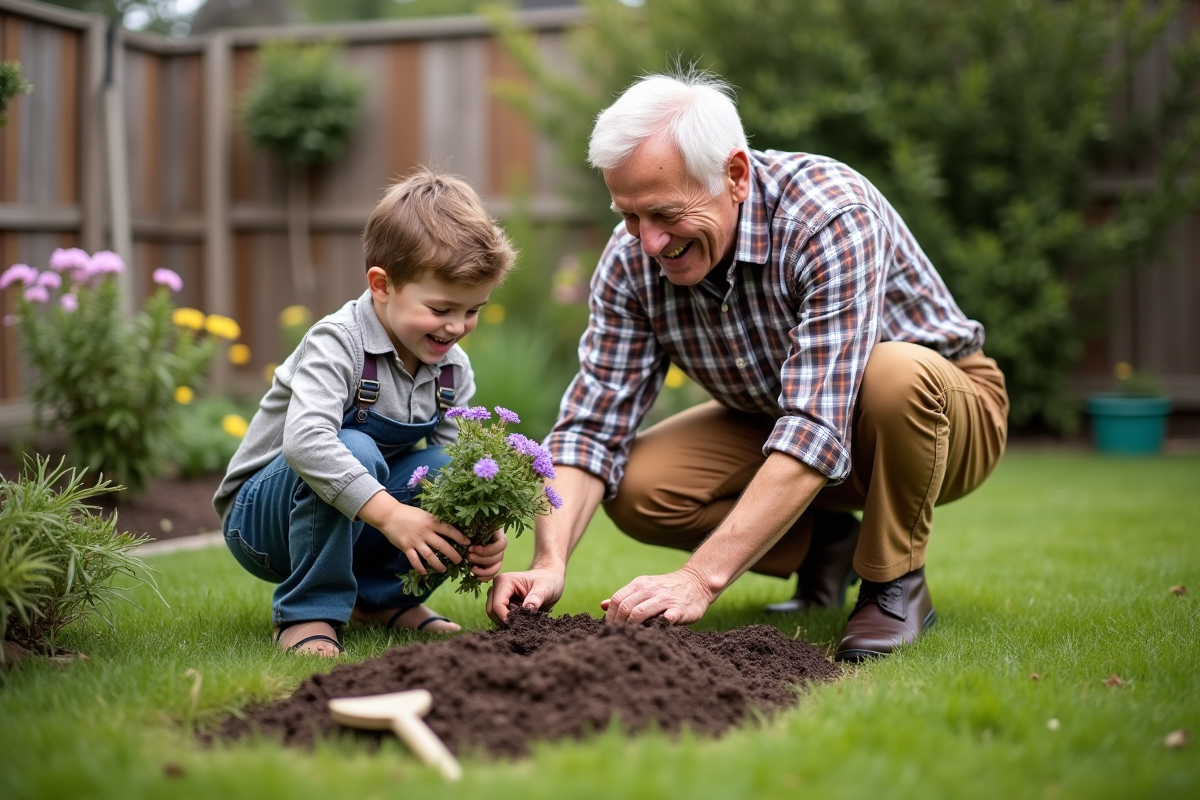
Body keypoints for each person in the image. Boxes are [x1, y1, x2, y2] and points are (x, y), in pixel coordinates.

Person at [487, 72, 1008, 662]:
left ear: (734, 176)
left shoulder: (828, 215)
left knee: (895, 376)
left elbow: (816, 423)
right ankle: (823, 546)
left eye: (664, 213)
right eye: (630, 215)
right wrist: (549, 562)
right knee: (638, 488)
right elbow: (590, 428)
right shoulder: (630, 260)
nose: (649, 243)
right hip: (770, 416)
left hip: (939, 418)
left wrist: (699, 578)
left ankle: (894, 585)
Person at [214, 169, 516, 656]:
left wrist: (484, 523)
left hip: (354, 521)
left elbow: (454, 463)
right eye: (442, 309)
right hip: (262, 523)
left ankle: (380, 600)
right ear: (382, 285)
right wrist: (393, 514)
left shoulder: (451, 369)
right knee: (352, 446)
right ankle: (308, 611)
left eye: (473, 309)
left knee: (456, 475)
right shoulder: (339, 342)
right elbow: (306, 442)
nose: (458, 326)